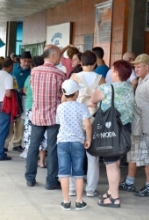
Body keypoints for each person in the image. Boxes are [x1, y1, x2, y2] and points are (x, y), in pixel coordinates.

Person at [90, 60, 134, 208]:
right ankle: (110, 191)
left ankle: (114, 197)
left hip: (111, 129)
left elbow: (93, 99)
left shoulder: (107, 88)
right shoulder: (129, 87)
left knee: (111, 164)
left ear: (115, 72)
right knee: (114, 161)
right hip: (125, 128)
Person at [119, 53, 149, 197]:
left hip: (147, 125)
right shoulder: (141, 79)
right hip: (138, 124)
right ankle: (129, 182)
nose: (136, 69)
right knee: (133, 153)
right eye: (135, 67)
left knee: (147, 156)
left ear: (147, 66)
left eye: (139, 67)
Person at [25, 45, 66, 189]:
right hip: (54, 117)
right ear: (53, 56)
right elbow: (63, 95)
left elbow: (32, 88)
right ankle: (51, 181)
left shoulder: (34, 72)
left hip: (37, 115)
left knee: (34, 146)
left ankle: (30, 178)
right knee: (53, 148)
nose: (60, 59)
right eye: (59, 56)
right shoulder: (60, 74)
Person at [69, 50, 105, 197]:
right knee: (93, 157)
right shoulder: (101, 79)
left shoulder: (75, 77)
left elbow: (69, 98)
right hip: (94, 119)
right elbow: (105, 100)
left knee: (74, 154)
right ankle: (91, 189)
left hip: (76, 119)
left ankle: (72, 188)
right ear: (95, 63)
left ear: (81, 63)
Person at [56, 79, 91, 211]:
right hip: (78, 142)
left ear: (64, 93)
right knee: (78, 173)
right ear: (76, 93)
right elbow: (87, 125)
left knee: (64, 172)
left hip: (62, 143)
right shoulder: (82, 107)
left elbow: (58, 122)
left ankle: (66, 201)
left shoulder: (60, 107)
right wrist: (88, 139)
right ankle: (79, 201)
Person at [20, 56, 47, 169]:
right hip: (43, 108)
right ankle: (41, 161)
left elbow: (25, 91)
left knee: (30, 132)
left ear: (32, 66)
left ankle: (29, 158)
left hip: (30, 107)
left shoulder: (30, 77)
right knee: (43, 134)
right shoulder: (46, 76)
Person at [5, 51, 32, 153]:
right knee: (11, 121)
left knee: (21, 121)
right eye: (25, 61)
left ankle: (17, 143)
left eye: (29, 61)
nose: (26, 63)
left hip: (24, 98)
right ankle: (5, 144)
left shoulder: (31, 71)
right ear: (20, 60)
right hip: (12, 97)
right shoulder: (13, 68)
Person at [0, 58, 14, 161]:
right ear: (9, 67)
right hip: (3, 105)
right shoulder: (8, 77)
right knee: (3, 129)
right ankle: (0, 153)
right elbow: (8, 93)